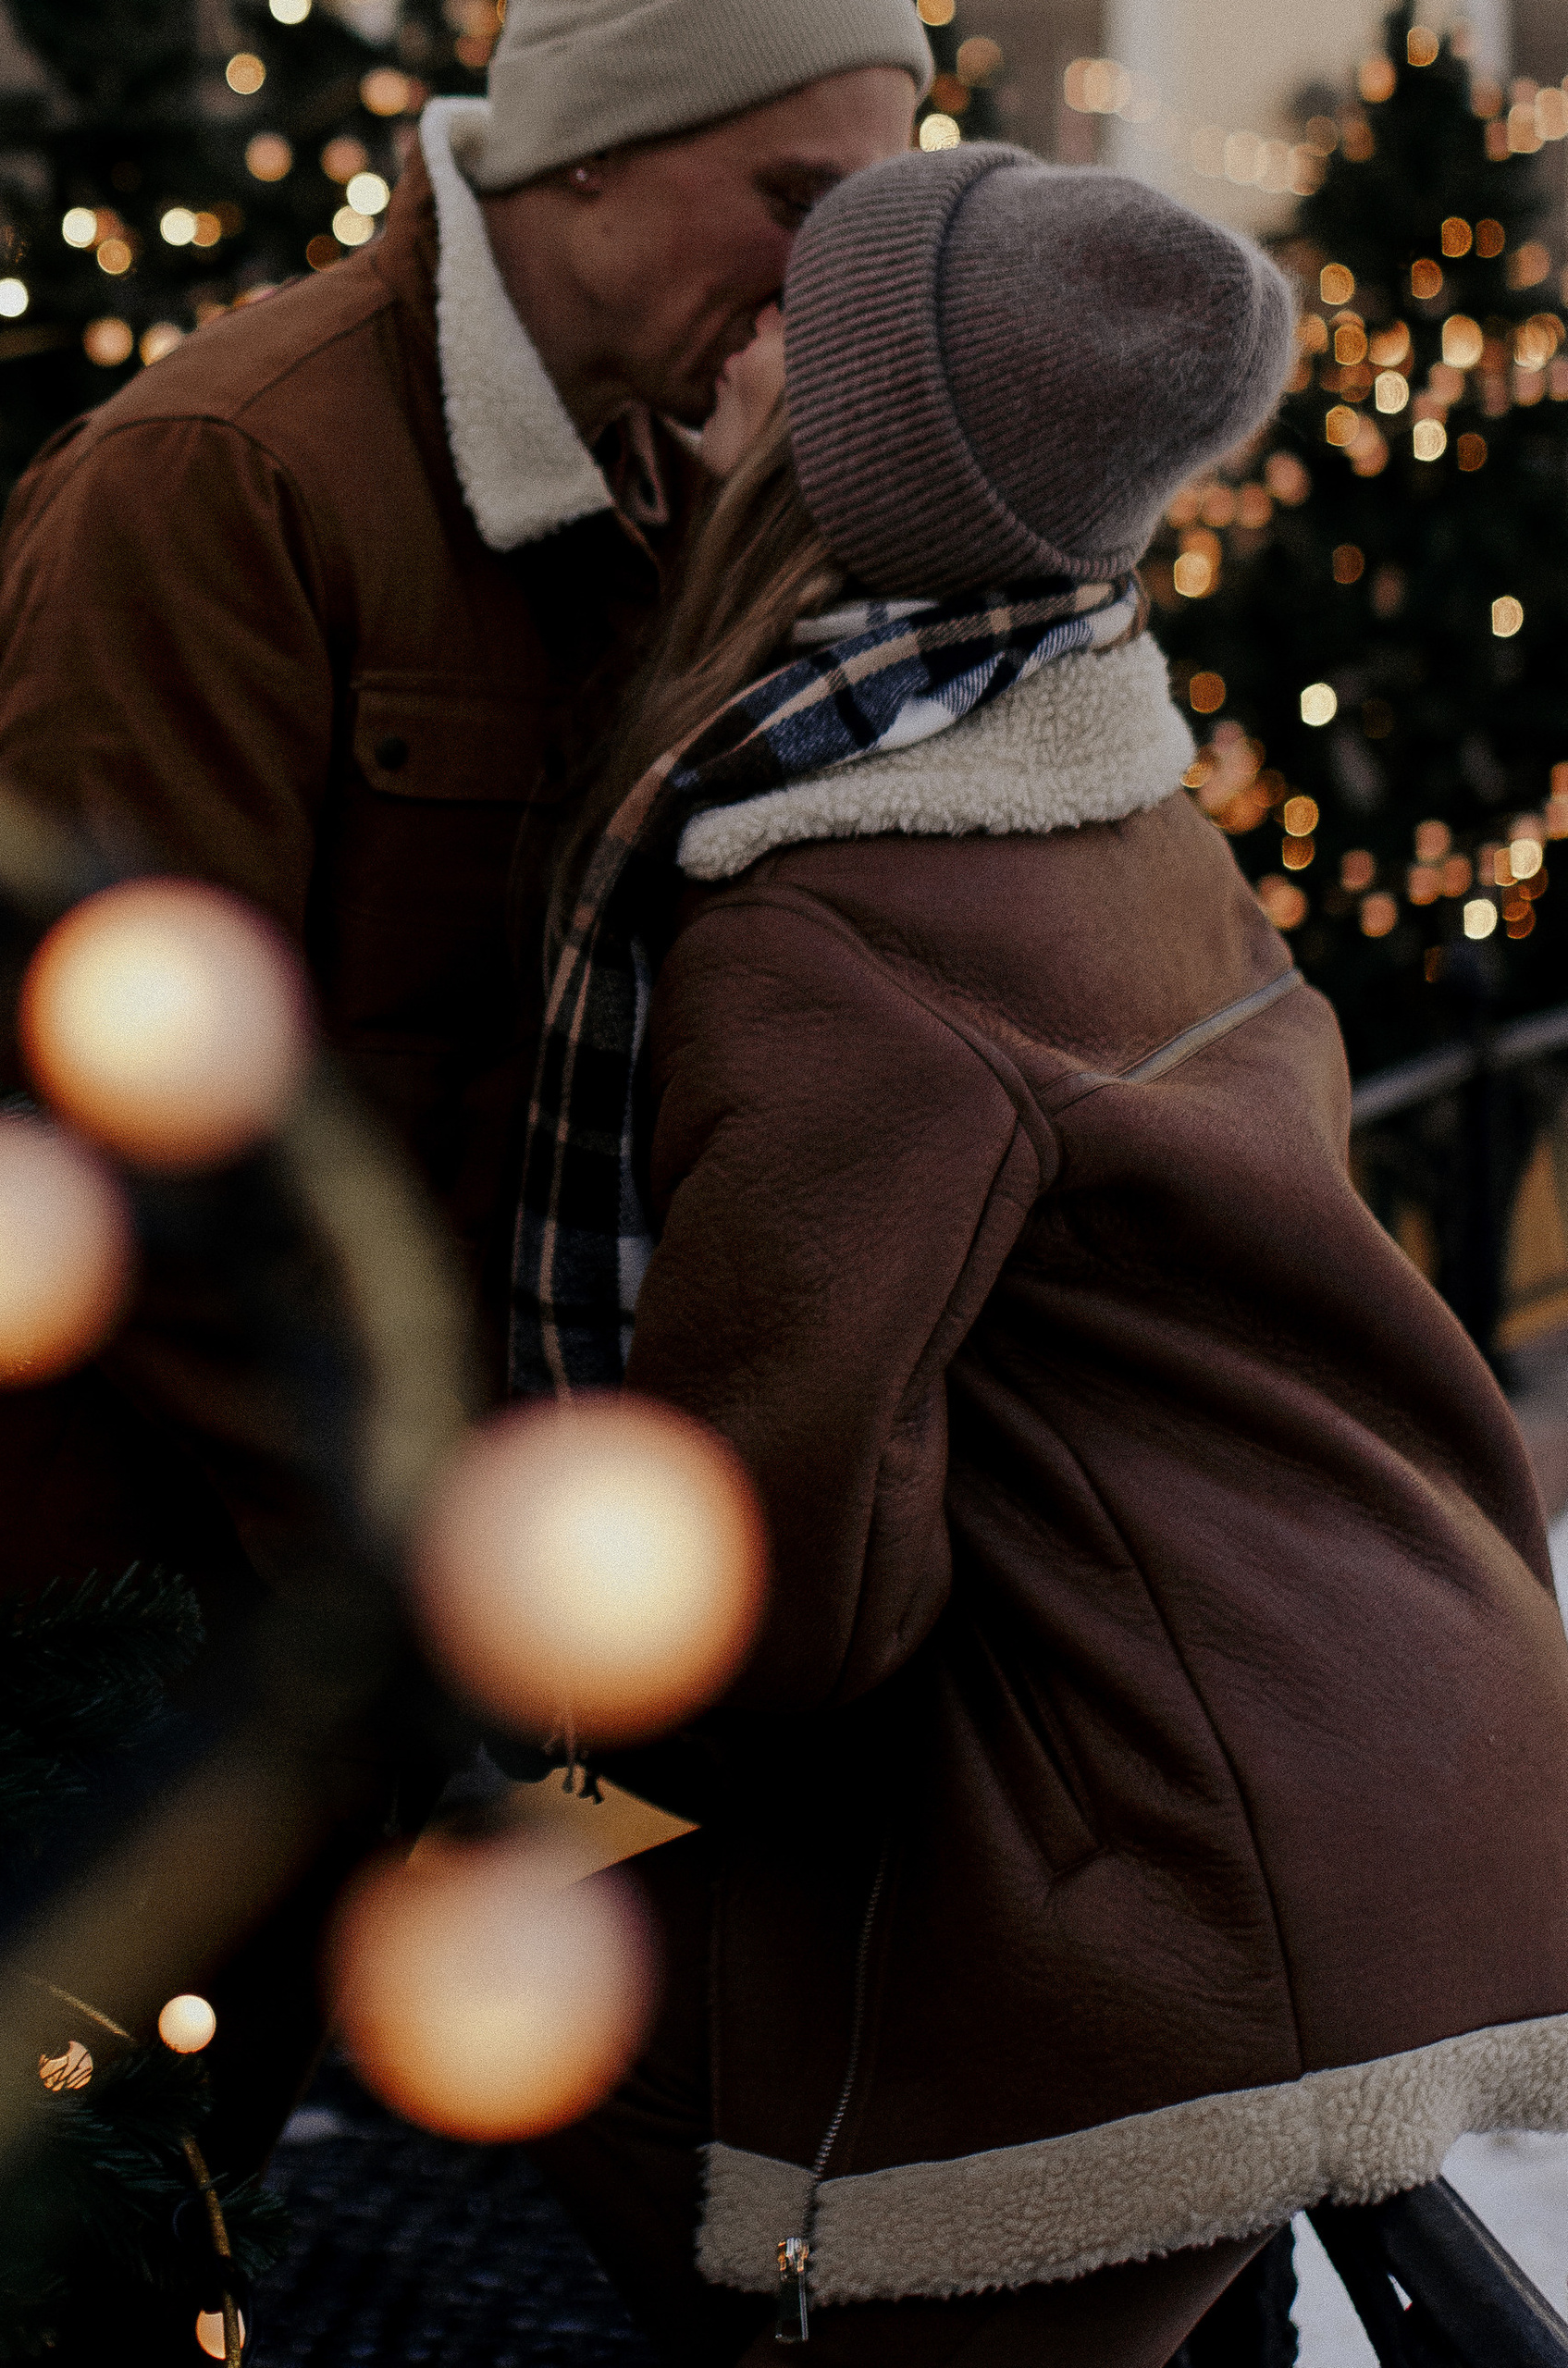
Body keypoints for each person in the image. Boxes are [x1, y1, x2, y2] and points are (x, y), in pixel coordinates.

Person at [0, 0, 932, 2172]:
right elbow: (143, 1121)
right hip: (124, 1641)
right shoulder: (218, 484)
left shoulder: (678, 473)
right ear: (588, 166)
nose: (838, 283)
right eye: (799, 202)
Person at [522, 141, 1568, 2368]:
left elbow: (765, 1595)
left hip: (1144, 1847)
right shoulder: (1089, 767)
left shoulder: (823, 922)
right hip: (1373, 1720)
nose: (729, 338)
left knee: (513, 2019)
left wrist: (556, 1775)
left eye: (791, 318)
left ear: (858, 453)